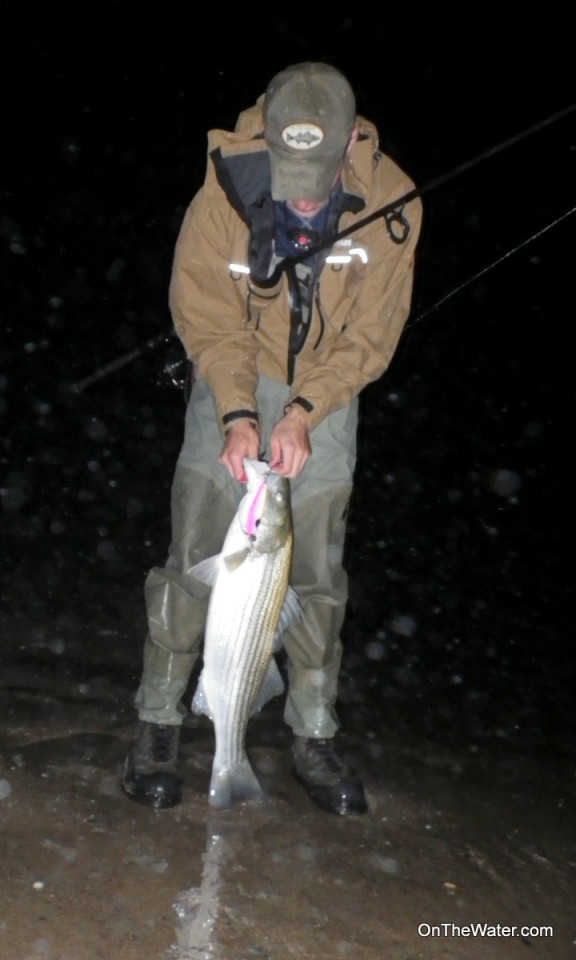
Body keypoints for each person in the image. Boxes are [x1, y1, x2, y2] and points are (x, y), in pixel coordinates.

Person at [121, 61, 423, 815]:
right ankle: (159, 720)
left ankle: (312, 733)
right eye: (290, 178)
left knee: (316, 573)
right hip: (234, 369)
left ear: (349, 143)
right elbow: (206, 314)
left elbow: (372, 336)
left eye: (316, 180)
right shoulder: (223, 188)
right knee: (195, 556)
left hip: (329, 390)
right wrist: (236, 413)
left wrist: (304, 411)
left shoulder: (395, 205)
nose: (302, 195)